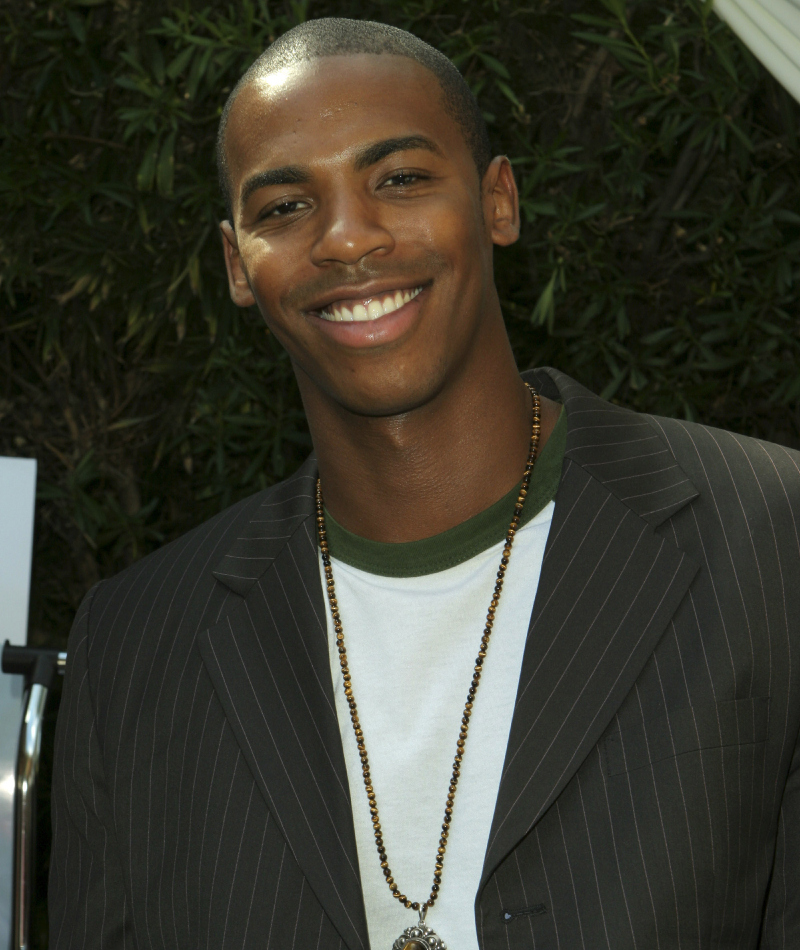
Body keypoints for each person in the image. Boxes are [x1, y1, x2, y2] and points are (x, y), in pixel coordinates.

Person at [49, 17, 800, 950]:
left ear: (498, 201)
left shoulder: (769, 536)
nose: (347, 239)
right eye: (284, 206)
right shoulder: (137, 643)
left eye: (399, 179)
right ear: (238, 266)